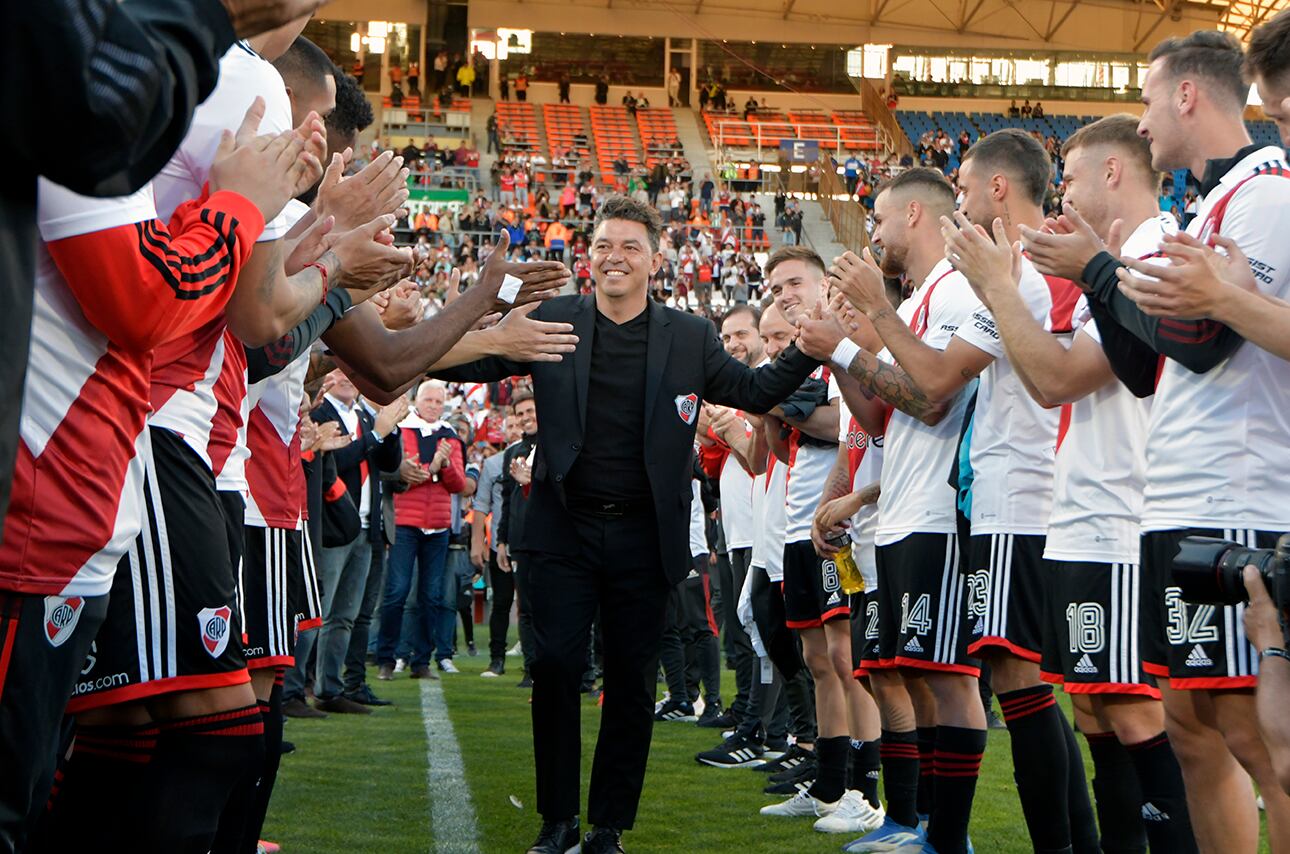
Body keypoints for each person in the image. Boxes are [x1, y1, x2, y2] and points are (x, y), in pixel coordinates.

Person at [434, 196, 824, 853]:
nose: (615, 257)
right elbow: (470, 361)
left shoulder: (690, 336)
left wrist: (813, 347)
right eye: (604, 245)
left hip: (644, 537)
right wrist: (459, 312)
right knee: (556, 667)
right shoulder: (555, 319)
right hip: (561, 530)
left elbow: (755, 394)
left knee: (633, 681)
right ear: (589, 255)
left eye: (630, 246)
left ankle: (607, 826)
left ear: (655, 259)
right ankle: (557, 821)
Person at [1022, 29, 1290, 853]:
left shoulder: (1265, 194)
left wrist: (1100, 273)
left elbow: (1212, 343)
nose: (1140, 122)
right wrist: (1099, 272)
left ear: (1185, 96)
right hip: (1177, 497)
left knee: (1256, 737)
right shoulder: (1210, 204)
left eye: (1145, 99)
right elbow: (1148, 367)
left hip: (1236, 495)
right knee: (1191, 724)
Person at [946, 115, 1199, 852]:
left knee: (1134, 714)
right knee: (1094, 710)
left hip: (1121, 514)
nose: (1061, 195)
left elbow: (1056, 381)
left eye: (1073, 178)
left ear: (1114, 174)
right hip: (1082, 513)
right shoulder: (1107, 259)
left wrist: (998, 290)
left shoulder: (1148, 250)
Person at [0, 0, 319, 551]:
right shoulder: (81, 69)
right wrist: (244, 209)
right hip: (57, 479)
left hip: (89, 469)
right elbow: (148, 299)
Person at [378, 381, 467, 679]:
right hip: (405, 522)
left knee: (432, 596)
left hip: (438, 527)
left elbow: (457, 485)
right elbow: (400, 473)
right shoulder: (402, 429)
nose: (433, 406)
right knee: (397, 592)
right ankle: (387, 657)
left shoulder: (450, 436)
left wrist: (442, 466)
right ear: (418, 400)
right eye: (429, 400)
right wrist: (432, 468)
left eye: (439, 402)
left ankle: (421, 661)